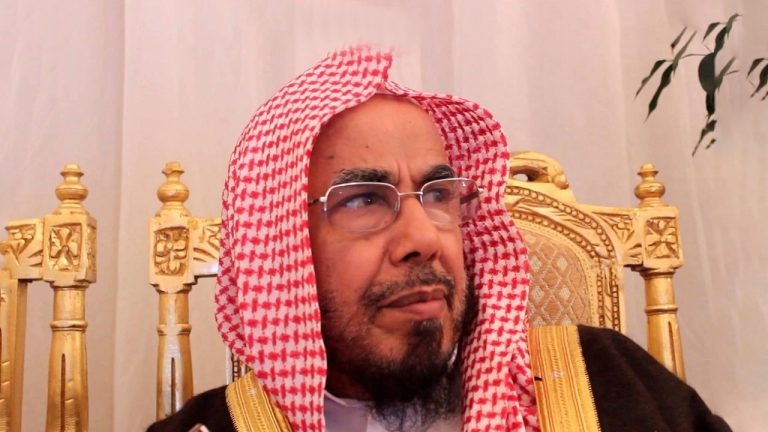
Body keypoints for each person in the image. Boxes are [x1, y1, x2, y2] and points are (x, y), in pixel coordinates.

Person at [147, 47, 731, 432]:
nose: (425, 238)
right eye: (363, 199)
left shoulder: (607, 378)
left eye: (438, 195)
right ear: (281, 251)